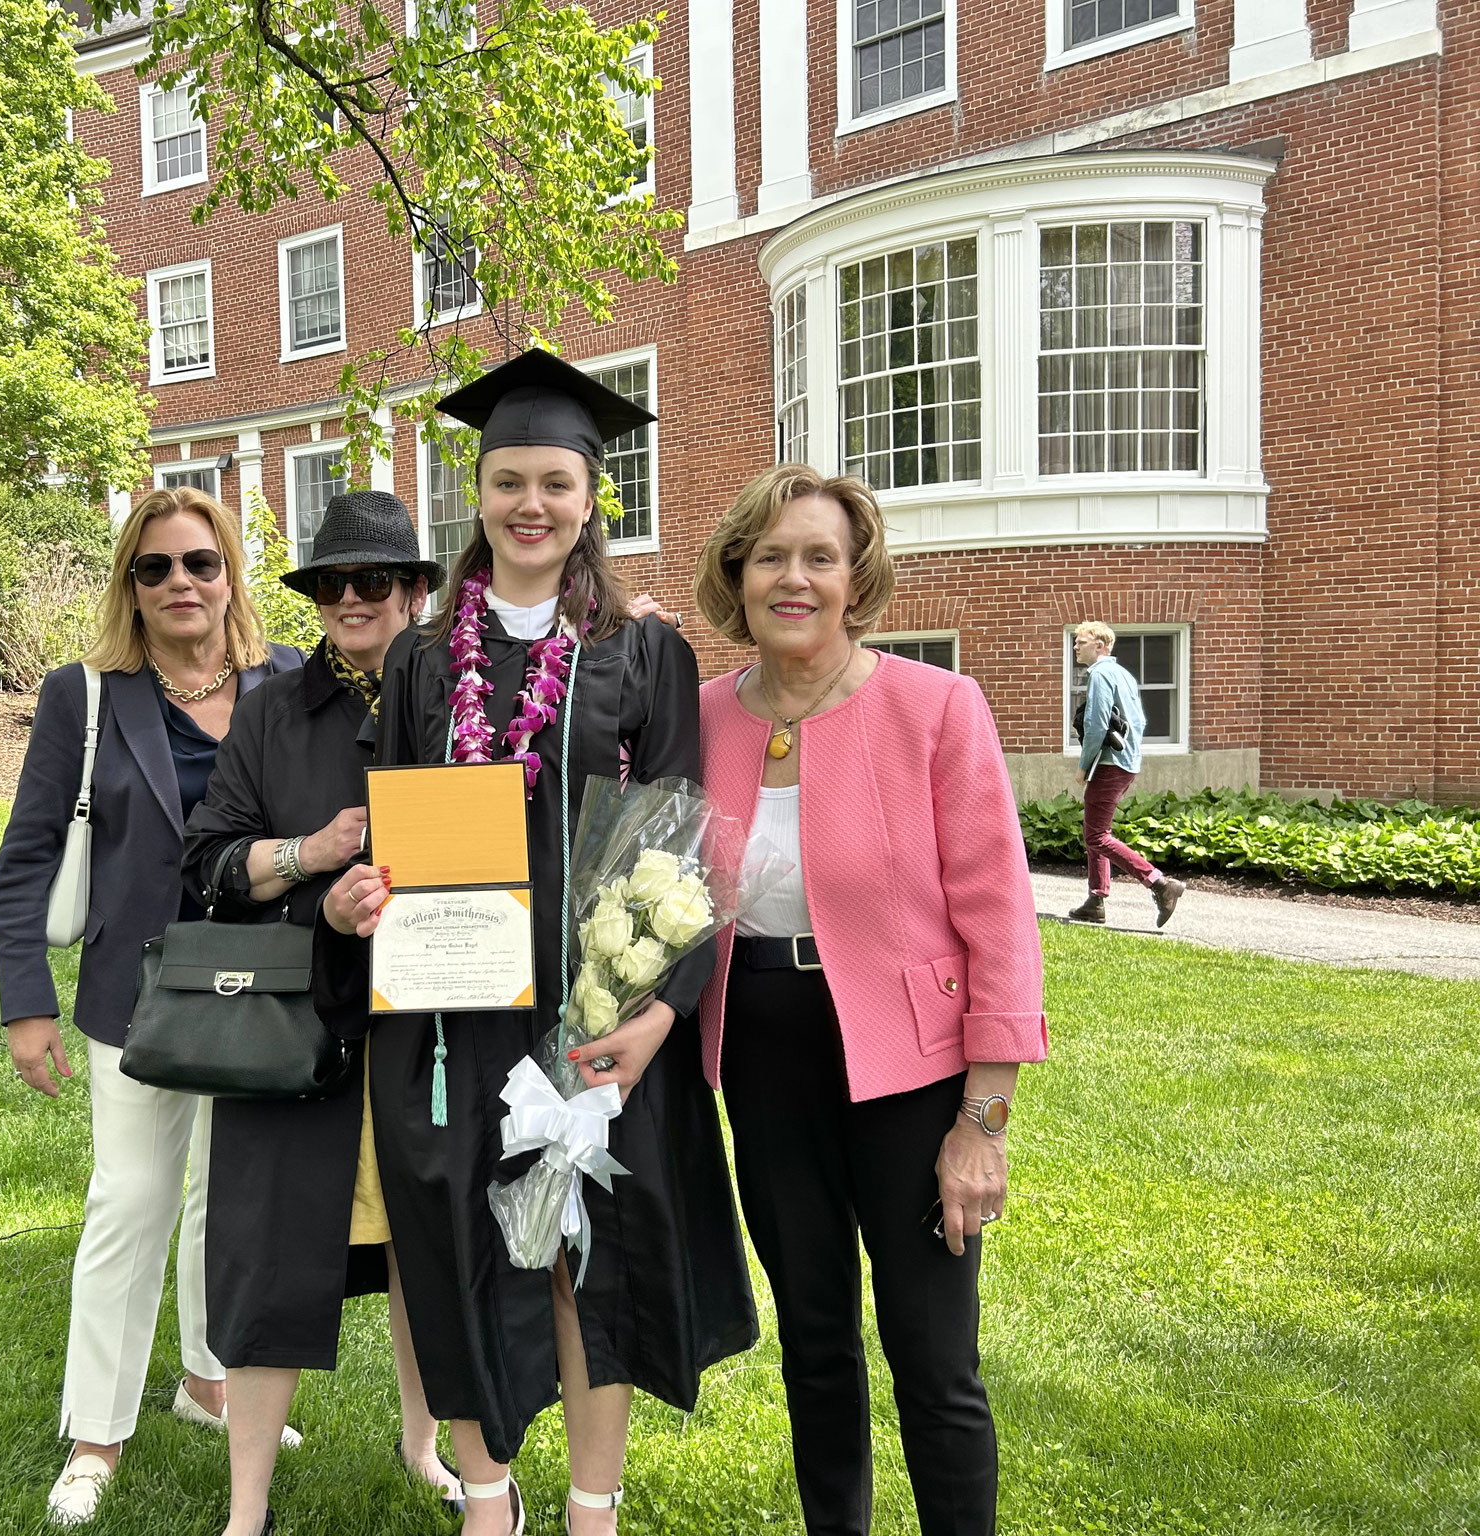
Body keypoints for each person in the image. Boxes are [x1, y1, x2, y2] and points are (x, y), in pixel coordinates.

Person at [315, 350, 757, 1536]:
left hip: (591, 1008)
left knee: (587, 1250)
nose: (529, 505)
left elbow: (680, 845)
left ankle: (593, 1507)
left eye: (554, 482)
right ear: (477, 489)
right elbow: (405, 827)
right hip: (450, 1010)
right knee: (461, 1240)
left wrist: (654, 1004)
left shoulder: (640, 650)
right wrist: (365, 895)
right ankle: (487, 1496)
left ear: (588, 496)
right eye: (506, 479)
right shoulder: (418, 661)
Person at [690, 463, 1048, 1536]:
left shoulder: (933, 706)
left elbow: (998, 917)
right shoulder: (700, 714)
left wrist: (980, 1123)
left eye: (817, 558)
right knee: (812, 1340)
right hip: (759, 1059)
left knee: (933, 1361)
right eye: (768, 557)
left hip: (908, 1068)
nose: (790, 579)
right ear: (735, 576)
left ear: (855, 578)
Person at [0, 485, 304, 1527]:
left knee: (228, 1202)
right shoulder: (84, 697)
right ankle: (95, 1435)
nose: (180, 582)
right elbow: (28, 853)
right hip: (132, 996)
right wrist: (25, 1000)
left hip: (260, 987)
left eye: (199, 563)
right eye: (155, 566)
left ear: (230, 575)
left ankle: (207, 1382)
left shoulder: (285, 683)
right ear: (131, 582)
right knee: (129, 1205)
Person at [181, 490, 465, 1536]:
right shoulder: (267, 711)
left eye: (374, 580)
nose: (351, 598)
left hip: (431, 1021)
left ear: (414, 591)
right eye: (331, 582)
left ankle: (425, 1445)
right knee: (267, 1252)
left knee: (424, 1247)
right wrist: (311, 873)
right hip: (294, 1024)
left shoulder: (460, 700)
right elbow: (205, 865)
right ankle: (244, 1507)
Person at [1066, 621, 1187, 927]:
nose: (1076, 647)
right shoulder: (1124, 675)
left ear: (1101, 646)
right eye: (1076, 642)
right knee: (1095, 830)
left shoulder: (1101, 674)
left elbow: (1095, 724)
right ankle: (1096, 901)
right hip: (1126, 762)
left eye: (1082, 642)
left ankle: (1160, 884)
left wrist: (1084, 765)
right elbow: (1141, 722)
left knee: (1096, 835)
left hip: (1108, 763)